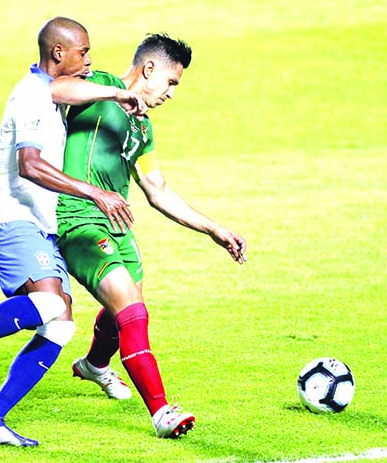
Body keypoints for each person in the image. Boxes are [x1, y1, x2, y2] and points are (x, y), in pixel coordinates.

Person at [0, 16, 147, 447]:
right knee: (47, 304)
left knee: (59, 323)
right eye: (84, 52)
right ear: (59, 53)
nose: (89, 60)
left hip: (39, 228)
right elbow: (31, 165)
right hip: (9, 221)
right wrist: (96, 193)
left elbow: (69, 88)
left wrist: (117, 92)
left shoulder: (47, 89)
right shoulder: (32, 96)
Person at [56, 33, 247, 439]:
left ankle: (93, 365)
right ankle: (161, 412)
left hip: (117, 224)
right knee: (133, 312)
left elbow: (157, 190)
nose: (172, 93)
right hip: (78, 219)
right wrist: (113, 94)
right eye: (172, 82)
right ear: (149, 69)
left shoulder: (143, 127)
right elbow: (57, 89)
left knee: (124, 307)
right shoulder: (98, 84)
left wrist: (213, 227)